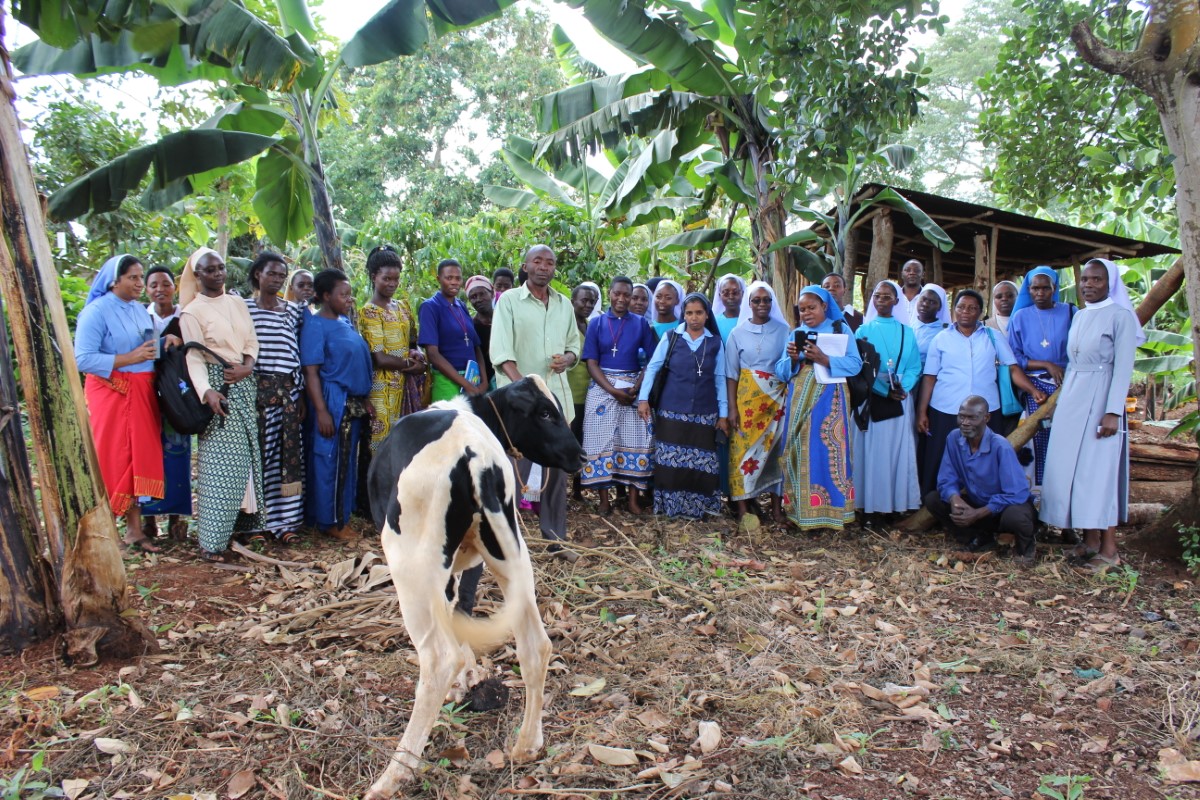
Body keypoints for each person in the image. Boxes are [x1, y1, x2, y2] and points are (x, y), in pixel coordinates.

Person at [1040, 258, 1141, 571]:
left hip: (1101, 400)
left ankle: (1109, 549)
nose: (1088, 285)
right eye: (1085, 279)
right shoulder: (1081, 315)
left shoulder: (1121, 316)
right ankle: (1090, 540)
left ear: (1109, 282)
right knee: (1070, 471)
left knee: (1098, 474)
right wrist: (1060, 403)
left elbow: (1123, 366)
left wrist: (1113, 412)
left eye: (1096, 279)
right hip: (1073, 398)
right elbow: (1073, 363)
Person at [491, 244, 583, 559]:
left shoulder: (564, 305)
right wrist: (528, 392)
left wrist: (568, 358)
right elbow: (502, 354)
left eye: (550, 262)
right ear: (526, 266)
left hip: (558, 402)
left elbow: (574, 346)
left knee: (556, 474)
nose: (544, 267)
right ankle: (505, 544)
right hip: (520, 406)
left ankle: (556, 541)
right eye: (537, 261)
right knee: (514, 474)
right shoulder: (509, 302)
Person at [178, 248, 264, 563]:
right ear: (197, 275)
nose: (217, 274)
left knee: (244, 462)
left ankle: (235, 530)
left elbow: (251, 341)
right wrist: (208, 392)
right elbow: (194, 357)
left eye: (220, 268)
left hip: (242, 380)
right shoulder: (191, 312)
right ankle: (211, 543)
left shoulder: (237, 302)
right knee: (219, 466)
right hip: (218, 387)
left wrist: (248, 366)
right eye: (209, 270)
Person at [74, 254, 165, 553]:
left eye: (141, 277)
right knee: (113, 455)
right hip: (112, 393)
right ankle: (107, 531)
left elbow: (149, 347)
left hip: (142, 392)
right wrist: (129, 359)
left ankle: (135, 531)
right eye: (134, 278)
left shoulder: (141, 311)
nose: (141, 284)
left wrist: (166, 344)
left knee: (138, 457)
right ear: (115, 280)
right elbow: (83, 358)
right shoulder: (96, 312)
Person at [916, 289, 1047, 496]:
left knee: (983, 458)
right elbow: (930, 377)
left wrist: (1033, 390)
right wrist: (922, 412)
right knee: (941, 456)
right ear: (953, 310)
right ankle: (935, 504)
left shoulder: (992, 336)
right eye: (960, 307)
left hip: (985, 411)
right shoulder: (941, 338)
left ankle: (982, 504)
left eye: (972, 308)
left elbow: (1012, 367)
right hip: (946, 408)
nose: (965, 312)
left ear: (981, 312)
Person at [774, 286, 863, 531]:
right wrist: (793, 359)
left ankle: (833, 515)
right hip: (800, 398)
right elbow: (780, 371)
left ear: (825, 306)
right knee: (798, 449)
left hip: (831, 400)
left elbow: (855, 365)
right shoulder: (797, 333)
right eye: (802, 309)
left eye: (811, 308)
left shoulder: (840, 330)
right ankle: (799, 513)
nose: (806, 313)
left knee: (830, 452)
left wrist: (824, 358)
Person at [638, 293, 729, 518]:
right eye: (689, 313)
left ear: (707, 315)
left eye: (699, 313)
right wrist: (643, 399)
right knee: (670, 461)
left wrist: (724, 414)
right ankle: (670, 508)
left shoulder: (715, 343)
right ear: (683, 315)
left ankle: (700, 509)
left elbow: (720, 379)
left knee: (701, 462)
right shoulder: (672, 338)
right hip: (671, 410)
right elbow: (652, 368)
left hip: (705, 413)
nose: (694, 318)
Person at [301, 269, 375, 541]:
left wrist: (365, 398)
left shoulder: (344, 322)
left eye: (349, 293)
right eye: (342, 294)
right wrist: (321, 410)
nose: (349, 298)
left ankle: (342, 514)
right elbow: (311, 371)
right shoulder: (315, 325)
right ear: (324, 296)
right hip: (332, 400)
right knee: (328, 459)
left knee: (345, 460)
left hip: (352, 401)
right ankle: (329, 521)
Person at [924, 396, 1037, 563]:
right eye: (961, 416)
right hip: (978, 505)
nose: (965, 422)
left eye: (972, 418)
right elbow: (946, 479)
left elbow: (1017, 493)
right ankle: (978, 539)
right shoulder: (954, 438)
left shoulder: (1000, 446)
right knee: (933, 499)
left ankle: (1026, 549)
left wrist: (978, 513)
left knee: (1017, 515)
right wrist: (955, 499)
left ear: (986, 418)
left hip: (1002, 509)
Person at [244, 252, 306, 546]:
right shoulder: (243, 308)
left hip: (288, 394)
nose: (278, 279)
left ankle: (284, 522)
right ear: (258, 274)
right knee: (258, 459)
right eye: (272, 273)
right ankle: (254, 523)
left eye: (282, 275)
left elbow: (297, 355)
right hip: (257, 394)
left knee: (287, 461)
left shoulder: (293, 311)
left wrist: (300, 395)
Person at [582, 276, 658, 514]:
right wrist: (613, 390)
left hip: (633, 386)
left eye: (627, 295)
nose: (622, 299)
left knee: (637, 440)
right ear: (610, 293)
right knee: (599, 441)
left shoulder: (640, 324)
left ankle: (633, 501)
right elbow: (591, 363)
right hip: (603, 388)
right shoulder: (596, 323)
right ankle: (604, 500)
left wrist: (636, 387)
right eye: (618, 294)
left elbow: (652, 361)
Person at [853, 281, 922, 515]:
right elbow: (860, 367)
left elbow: (914, 366)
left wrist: (904, 388)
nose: (881, 300)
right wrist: (884, 390)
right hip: (873, 396)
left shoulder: (907, 332)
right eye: (877, 296)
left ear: (896, 300)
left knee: (897, 451)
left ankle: (896, 506)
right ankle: (869, 506)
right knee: (874, 452)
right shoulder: (863, 331)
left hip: (901, 397)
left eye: (887, 296)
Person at [725, 281, 790, 523]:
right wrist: (732, 408)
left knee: (776, 453)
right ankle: (743, 510)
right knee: (741, 452)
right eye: (756, 300)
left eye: (766, 300)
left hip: (776, 401)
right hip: (747, 402)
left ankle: (776, 509)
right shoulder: (737, 333)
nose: (762, 304)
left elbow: (789, 366)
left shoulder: (784, 331)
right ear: (748, 304)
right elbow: (731, 373)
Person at [1008, 266, 1076, 487]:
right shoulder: (1020, 316)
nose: (1039, 293)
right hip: (1034, 386)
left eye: (1045, 288)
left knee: (1065, 438)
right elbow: (1014, 356)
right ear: (1028, 290)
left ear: (1054, 288)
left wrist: (1061, 368)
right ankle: (1036, 492)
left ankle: (1063, 490)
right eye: (1034, 288)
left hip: (1065, 385)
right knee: (1036, 439)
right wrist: (1046, 364)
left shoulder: (1070, 312)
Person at [140, 265, 190, 543]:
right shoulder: (139, 316)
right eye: (154, 285)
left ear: (174, 286)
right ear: (147, 290)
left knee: (177, 455)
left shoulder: (186, 315)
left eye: (166, 284)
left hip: (178, 395)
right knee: (147, 454)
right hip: (146, 394)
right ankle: (148, 520)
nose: (160, 289)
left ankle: (176, 519)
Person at [359, 246, 425, 449]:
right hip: (383, 388)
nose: (392, 284)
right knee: (383, 445)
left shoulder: (403, 306)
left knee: (408, 444)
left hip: (407, 384)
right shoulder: (369, 312)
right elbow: (380, 358)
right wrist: (412, 365)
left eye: (396, 279)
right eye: (386, 278)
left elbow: (413, 343)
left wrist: (419, 356)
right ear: (373, 277)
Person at [419, 259, 486, 402]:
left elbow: (476, 347)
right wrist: (465, 385)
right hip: (447, 381)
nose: (454, 282)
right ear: (439, 279)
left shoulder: (461, 306)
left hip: (472, 379)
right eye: (449, 278)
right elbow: (433, 354)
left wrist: (484, 382)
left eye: (458, 278)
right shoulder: (430, 307)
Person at [465, 274, 496, 388]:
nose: (478, 299)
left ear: (492, 293)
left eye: (482, 294)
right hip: (484, 384)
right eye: (473, 297)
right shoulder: (470, 327)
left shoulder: (505, 319)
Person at [913, 284, 951, 368]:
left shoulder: (946, 332)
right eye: (923, 299)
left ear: (940, 307)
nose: (925, 304)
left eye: (932, 302)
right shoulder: (907, 327)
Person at [712, 274, 746, 341]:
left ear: (742, 293)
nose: (731, 297)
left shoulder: (749, 319)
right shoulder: (714, 322)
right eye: (726, 293)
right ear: (720, 295)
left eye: (735, 292)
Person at [896, 259, 925, 325]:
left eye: (917, 270)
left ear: (923, 275)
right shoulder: (894, 296)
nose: (912, 273)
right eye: (907, 270)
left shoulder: (928, 298)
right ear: (902, 274)